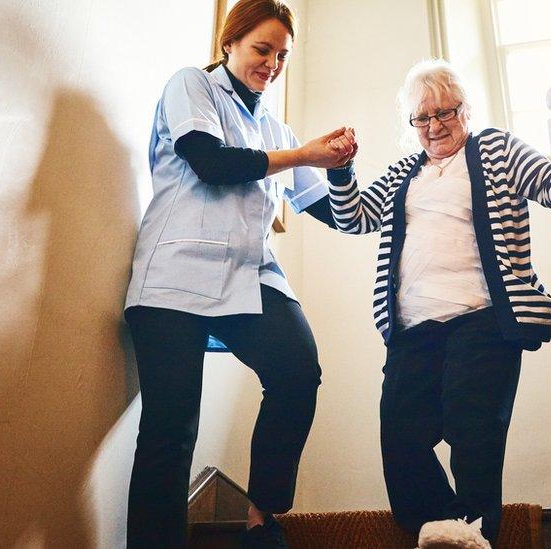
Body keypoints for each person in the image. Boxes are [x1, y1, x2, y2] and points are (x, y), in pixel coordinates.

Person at [323, 59, 551, 547]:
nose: (434, 126)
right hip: (413, 327)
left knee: (472, 425)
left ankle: (470, 527)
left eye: (444, 112)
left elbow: (537, 172)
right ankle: (441, 529)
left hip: (484, 318)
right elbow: (355, 218)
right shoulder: (402, 172)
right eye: (422, 118)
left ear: (464, 109)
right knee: (400, 432)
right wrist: (341, 170)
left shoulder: (492, 146)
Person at [122, 1, 354, 547]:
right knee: (171, 432)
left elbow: (337, 214)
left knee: (298, 372)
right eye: (262, 49)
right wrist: (300, 155)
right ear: (230, 43)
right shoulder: (192, 86)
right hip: (174, 277)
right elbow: (211, 161)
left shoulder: (275, 126)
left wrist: (341, 166)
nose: (272, 63)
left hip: (249, 277)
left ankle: (261, 517)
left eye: (282, 55)